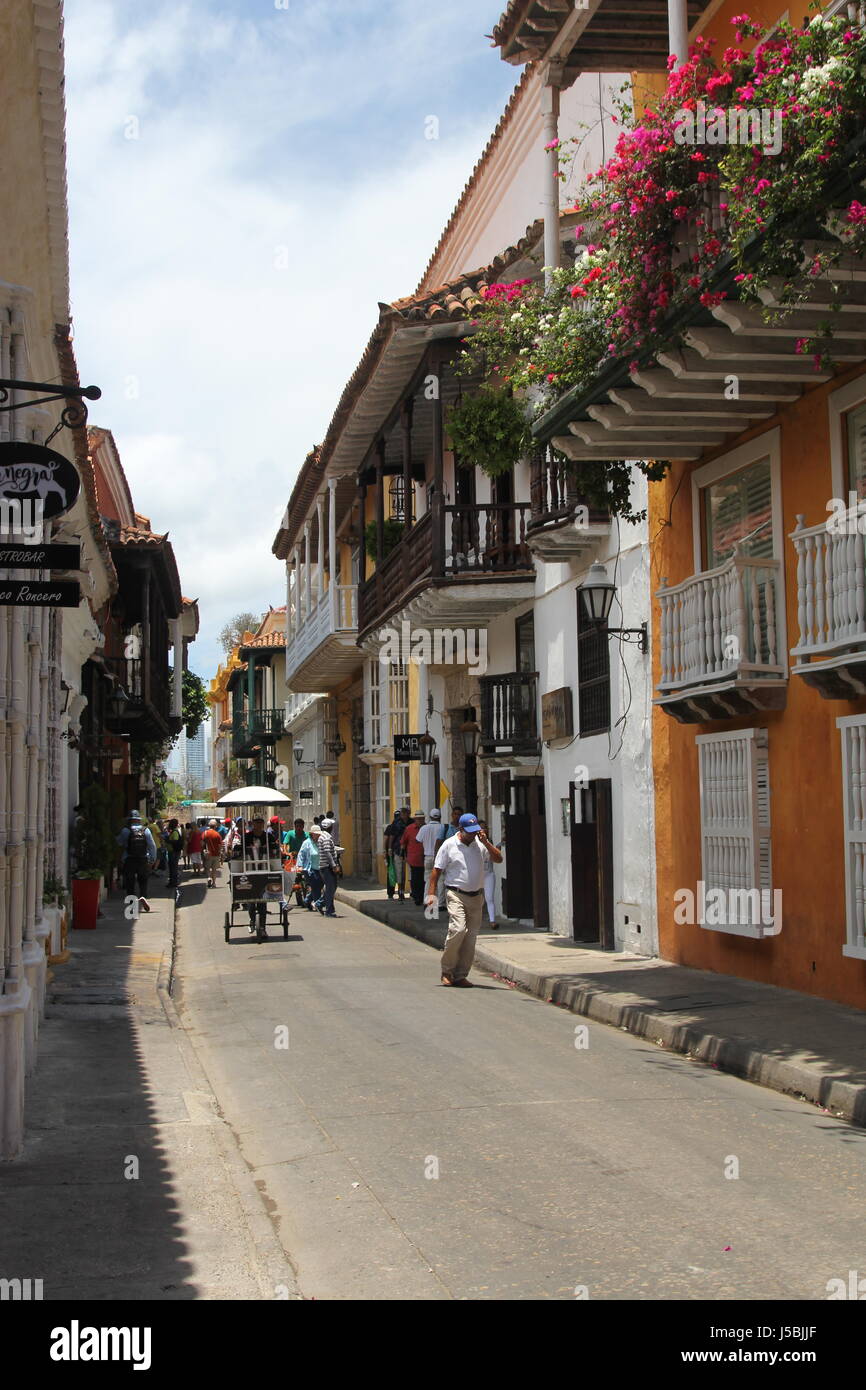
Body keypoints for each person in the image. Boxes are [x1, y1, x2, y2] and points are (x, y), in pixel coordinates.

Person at [426, 813, 503, 987]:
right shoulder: (449, 845)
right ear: (460, 829)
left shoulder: (480, 845)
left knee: (471, 937)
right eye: (469, 832)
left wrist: (486, 842)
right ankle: (447, 971)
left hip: (476, 897)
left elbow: (498, 859)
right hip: (456, 894)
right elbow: (436, 870)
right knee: (458, 929)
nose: (472, 835)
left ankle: (460, 975)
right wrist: (431, 895)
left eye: (475, 831)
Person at [240, 816, 281, 936]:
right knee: (251, 900)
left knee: (263, 900)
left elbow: (275, 850)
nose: (258, 825)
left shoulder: (268, 837)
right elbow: (240, 851)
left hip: (264, 870)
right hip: (249, 871)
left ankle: (262, 927)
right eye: (256, 823)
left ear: (263, 824)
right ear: (253, 824)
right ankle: (253, 920)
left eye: (260, 823)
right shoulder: (246, 837)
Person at [116, 810, 157, 914]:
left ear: (130, 819)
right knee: (143, 880)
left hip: (129, 859)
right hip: (143, 859)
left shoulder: (126, 830)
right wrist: (152, 859)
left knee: (130, 883)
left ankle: (132, 906)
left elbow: (119, 843)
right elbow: (152, 846)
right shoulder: (146, 830)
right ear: (139, 820)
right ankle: (143, 896)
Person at [417, 808, 445, 901]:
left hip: (428, 856)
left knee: (428, 880)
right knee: (441, 879)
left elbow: (418, 840)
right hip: (440, 856)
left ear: (430, 817)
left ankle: (427, 901)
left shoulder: (424, 828)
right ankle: (441, 902)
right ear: (440, 817)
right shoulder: (442, 827)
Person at [401, 810, 427, 906]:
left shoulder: (427, 828)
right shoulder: (409, 829)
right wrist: (403, 853)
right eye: (418, 819)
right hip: (414, 858)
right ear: (415, 819)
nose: (420, 821)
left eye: (421, 819)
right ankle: (417, 897)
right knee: (415, 879)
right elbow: (403, 842)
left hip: (425, 857)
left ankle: (422, 896)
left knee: (424, 879)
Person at [478, 820, 500, 928]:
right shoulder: (473, 844)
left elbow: (497, 855)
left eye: (485, 828)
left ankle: (492, 921)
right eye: (481, 828)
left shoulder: (489, 843)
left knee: (489, 898)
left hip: (488, 874)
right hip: (477, 875)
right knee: (476, 899)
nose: (483, 830)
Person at [316, 818, 340, 917]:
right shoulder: (326, 838)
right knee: (330, 888)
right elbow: (327, 853)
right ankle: (328, 910)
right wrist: (334, 865)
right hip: (327, 866)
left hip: (325, 866)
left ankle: (321, 903)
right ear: (330, 827)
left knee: (332, 887)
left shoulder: (324, 836)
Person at [384, 806, 408, 901]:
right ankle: (392, 892)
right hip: (394, 852)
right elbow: (387, 839)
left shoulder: (392, 826)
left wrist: (387, 851)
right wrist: (387, 851)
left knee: (394, 872)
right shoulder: (393, 826)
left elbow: (386, 840)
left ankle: (394, 892)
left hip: (396, 851)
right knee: (394, 872)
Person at [297, 826, 322, 910]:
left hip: (320, 868)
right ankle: (318, 904)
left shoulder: (321, 842)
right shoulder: (306, 843)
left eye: (319, 834)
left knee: (319, 885)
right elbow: (301, 854)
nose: (318, 836)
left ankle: (307, 900)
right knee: (315, 886)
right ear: (312, 834)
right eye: (316, 834)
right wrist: (300, 866)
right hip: (309, 869)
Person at [202, 819, 223, 888]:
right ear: (215, 826)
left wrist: (203, 850)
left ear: (209, 825)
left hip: (208, 854)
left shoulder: (205, 833)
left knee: (207, 868)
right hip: (216, 854)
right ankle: (214, 883)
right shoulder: (217, 834)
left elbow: (202, 843)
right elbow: (220, 845)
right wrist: (220, 853)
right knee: (214, 870)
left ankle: (208, 878)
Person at [164, 819, 183, 888]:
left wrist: (168, 840)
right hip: (173, 851)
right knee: (173, 867)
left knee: (173, 867)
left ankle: (173, 882)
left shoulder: (175, 832)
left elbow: (175, 840)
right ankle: (173, 882)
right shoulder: (174, 831)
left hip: (173, 851)